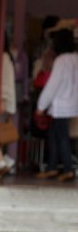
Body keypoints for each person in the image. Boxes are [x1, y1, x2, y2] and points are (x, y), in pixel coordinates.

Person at [36, 28, 78, 181]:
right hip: (72, 104)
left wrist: (41, 105)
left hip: (61, 104)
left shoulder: (61, 61)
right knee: (54, 134)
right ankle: (52, 167)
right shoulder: (75, 59)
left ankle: (67, 169)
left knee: (61, 136)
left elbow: (53, 84)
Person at [0, 34, 18, 180]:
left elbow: (3, 82)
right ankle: (0, 161)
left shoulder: (3, 57)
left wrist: (2, 100)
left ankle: (1, 161)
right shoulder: (7, 57)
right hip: (4, 101)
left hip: (2, 102)